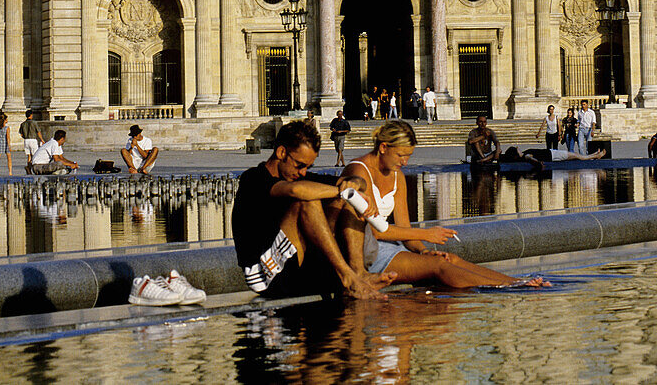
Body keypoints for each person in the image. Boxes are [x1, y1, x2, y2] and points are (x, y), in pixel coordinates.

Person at [340, 121, 547, 289]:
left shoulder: (397, 176)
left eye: (408, 156)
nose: (405, 162)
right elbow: (376, 232)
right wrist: (426, 235)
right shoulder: (358, 170)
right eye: (401, 155)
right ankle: (513, 285)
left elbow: (404, 227)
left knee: (450, 259)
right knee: (440, 266)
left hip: (387, 245)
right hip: (367, 250)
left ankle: (513, 282)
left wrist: (423, 251)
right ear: (384, 147)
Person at [231, 119, 392, 301]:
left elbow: (355, 181)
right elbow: (295, 191)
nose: (303, 172)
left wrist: (354, 185)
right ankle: (347, 276)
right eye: (300, 165)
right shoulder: (254, 178)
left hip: (295, 267)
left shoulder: (297, 176)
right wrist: (343, 192)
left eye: (308, 167)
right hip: (263, 273)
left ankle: (358, 272)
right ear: (282, 152)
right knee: (309, 201)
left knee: (346, 199)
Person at [502, 145, 606, 172]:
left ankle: (594, 155)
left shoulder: (524, 155)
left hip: (552, 153)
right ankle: (596, 155)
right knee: (576, 156)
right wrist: (539, 163)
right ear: (516, 154)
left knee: (576, 156)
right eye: (516, 149)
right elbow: (532, 160)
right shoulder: (525, 156)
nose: (518, 148)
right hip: (553, 155)